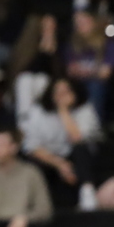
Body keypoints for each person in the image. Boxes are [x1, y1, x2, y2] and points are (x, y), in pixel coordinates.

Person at [22, 77, 101, 210]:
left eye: (66, 92)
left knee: (81, 150)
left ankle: (87, 192)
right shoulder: (38, 112)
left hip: (76, 157)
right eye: (57, 92)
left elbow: (77, 138)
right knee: (32, 162)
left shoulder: (85, 109)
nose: (61, 96)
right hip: (49, 158)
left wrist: (63, 111)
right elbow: (31, 146)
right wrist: (60, 164)